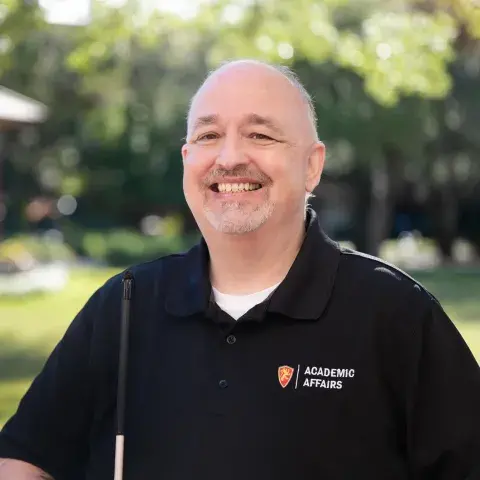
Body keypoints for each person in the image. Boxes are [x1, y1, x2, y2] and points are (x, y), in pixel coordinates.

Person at [1, 59, 479, 480]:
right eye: (208, 136)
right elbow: (23, 457)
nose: (229, 158)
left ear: (312, 166)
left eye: (260, 135)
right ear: (187, 160)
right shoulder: (123, 306)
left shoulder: (394, 313)